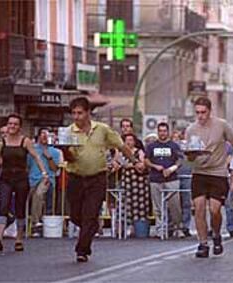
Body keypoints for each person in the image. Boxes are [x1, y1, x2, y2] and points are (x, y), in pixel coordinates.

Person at [61, 97, 140, 263]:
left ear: (88, 113)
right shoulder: (68, 132)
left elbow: (121, 146)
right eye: (74, 113)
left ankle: (82, 250)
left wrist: (135, 161)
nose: (76, 117)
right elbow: (70, 158)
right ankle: (91, 228)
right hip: (75, 177)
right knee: (76, 215)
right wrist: (63, 150)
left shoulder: (102, 129)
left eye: (80, 113)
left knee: (89, 214)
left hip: (97, 178)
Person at [185, 97, 233, 258]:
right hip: (199, 172)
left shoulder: (221, 125)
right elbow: (189, 156)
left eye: (203, 112)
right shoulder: (191, 129)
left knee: (215, 210)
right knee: (199, 208)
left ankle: (216, 234)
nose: (200, 116)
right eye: (197, 113)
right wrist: (190, 155)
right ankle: (203, 244)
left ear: (210, 111)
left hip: (217, 173)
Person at [0, 113, 48, 252]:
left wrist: (44, 173)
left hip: (21, 178)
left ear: (20, 127)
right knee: (3, 206)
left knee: (20, 208)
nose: (12, 126)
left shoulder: (25, 141)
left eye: (15, 124)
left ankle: (19, 238)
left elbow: (36, 157)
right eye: (10, 124)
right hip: (6, 178)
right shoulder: (2, 141)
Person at [145, 122, 184, 238]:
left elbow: (180, 160)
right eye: (160, 131)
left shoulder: (174, 146)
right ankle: (160, 229)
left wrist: (172, 169)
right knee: (157, 207)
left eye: (164, 131)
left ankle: (178, 228)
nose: (162, 133)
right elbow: (146, 160)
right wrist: (154, 166)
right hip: (155, 179)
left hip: (171, 179)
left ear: (168, 132)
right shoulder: (151, 146)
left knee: (175, 205)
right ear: (158, 132)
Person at [28, 128, 60, 237]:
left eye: (47, 134)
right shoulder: (32, 149)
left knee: (39, 194)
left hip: (47, 179)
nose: (44, 136)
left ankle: (36, 223)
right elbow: (27, 166)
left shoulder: (54, 151)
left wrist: (49, 158)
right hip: (32, 179)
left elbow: (55, 170)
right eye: (42, 134)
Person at [118, 133, 149, 237]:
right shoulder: (121, 151)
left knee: (139, 203)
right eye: (127, 140)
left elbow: (142, 164)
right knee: (126, 201)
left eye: (131, 140)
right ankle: (126, 226)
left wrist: (129, 165)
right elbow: (118, 162)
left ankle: (138, 228)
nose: (129, 142)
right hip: (126, 179)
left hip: (138, 181)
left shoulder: (139, 151)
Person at [172, 129, 192, 237]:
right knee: (173, 202)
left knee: (186, 202)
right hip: (174, 175)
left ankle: (186, 226)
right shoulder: (175, 145)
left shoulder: (193, 145)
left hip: (187, 175)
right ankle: (173, 225)